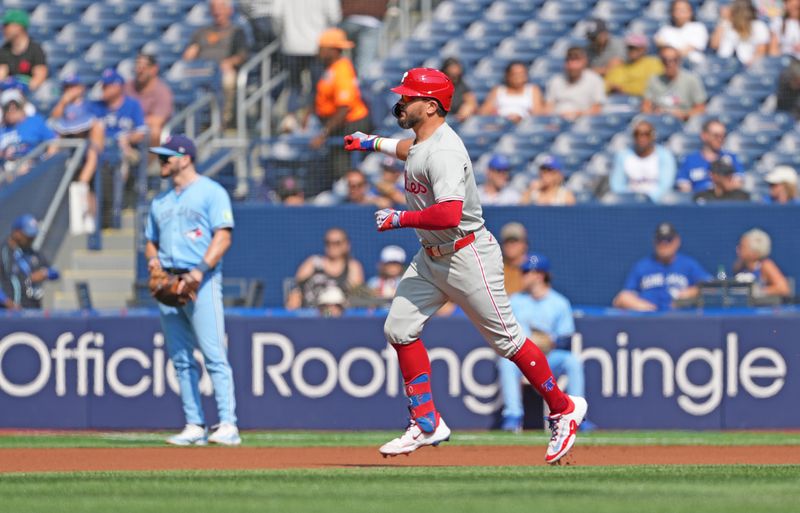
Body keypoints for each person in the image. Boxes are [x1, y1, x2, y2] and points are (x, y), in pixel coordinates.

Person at [344, 67, 587, 463]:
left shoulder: (443, 150)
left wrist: (399, 219)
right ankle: (426, 421)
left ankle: (563, 408)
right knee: (399, 329)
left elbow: (449, 214)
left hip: (465, 253)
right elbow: (411, 152)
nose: (401, 101)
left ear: (432, 104)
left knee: (508, 341)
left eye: (409, 96)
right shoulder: (425, 141)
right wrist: (371, 142)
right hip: (431, 256)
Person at [144, 134, 240, 446]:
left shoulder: (211, 192)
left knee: (213, 354)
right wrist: (154, 263)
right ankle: (194, 424)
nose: (161, 162)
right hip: (169, 282)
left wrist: (198, 272)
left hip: (202, 280)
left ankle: (228, 424)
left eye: (166, 157)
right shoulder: (160, 201)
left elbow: (223, 237)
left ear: (184, 158)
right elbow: (150, 240)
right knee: (181, 357)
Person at [497, 254, 590, 433]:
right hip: (523, 357)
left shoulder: (559, 302)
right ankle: (512, 416)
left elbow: (566, 339)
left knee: (572, 361)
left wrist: (550, 342)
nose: (522, 276)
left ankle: (578, 416)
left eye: (526, 272)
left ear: (539, 275)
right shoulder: (516, 301)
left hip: (549, 357)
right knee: (505, 363)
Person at [307, 28, 371, 195]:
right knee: (335, 167)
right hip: (338, 125)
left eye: (322, 48)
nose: (319, 52)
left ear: (333, 50)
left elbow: (344, 108)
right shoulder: (330, 68)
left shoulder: (342, 69)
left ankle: (348, 197)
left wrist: (324, 133)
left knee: (342, 169)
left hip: (351, 125)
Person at [89, 69, 147, 228]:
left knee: (122, 154)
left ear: (118, 87)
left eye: (108, 86)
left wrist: (126, 138)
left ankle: (117, 206)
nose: (104, 89)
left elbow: (141, 132)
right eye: (104, 86)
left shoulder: (132, 105)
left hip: (125, 151)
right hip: (100, 151)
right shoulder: (95, 106)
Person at [613, 222, 711, 311]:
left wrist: (692, 292)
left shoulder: (688, 265)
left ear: (677, 241)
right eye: (660, 240)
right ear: (654, 242)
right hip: (647, 321)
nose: (664, 244)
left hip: (680, 320)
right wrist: (644, 308)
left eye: (668, 239)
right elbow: (623, 298)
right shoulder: (642, 266)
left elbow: (711, 287)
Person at [183, 0, 248, 128]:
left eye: (221, 7)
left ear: (230, 10)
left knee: (228, 79)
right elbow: (190, 53)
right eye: (214, 7)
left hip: (222, 70)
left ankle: (223, 120)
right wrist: (189, 56)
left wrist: (229, 62)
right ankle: (190, 120)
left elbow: (242, 55)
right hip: (202, 69)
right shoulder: (202, 32)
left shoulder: (237, 32)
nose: (217, 11)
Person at [273, 0, 341, 112]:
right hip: (317, 46)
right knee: (317, 87)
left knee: (294, 86)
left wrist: (282, 34)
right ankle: (311, 118)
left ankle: (292, 118)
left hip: (292, 45)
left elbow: (276, 15)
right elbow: (334, 16)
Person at [285, 227, 365, 309]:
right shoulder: (313, 263)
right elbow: (295, 287)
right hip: (311, 314)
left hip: (339, 317)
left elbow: (356, 297)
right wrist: (294, 297)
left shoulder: (352, 267)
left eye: (337, 243)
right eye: (328, 242)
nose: (332, 246)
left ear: (347, 245)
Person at [0, 214, 59, 309]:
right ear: (17, 233)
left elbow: (56, 272)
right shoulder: (4, 253)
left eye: (33, 236)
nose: (32, 239)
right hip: (9, 313)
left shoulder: (33, 253)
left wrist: (45, 273)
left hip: (33, 310)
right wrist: (8, 303)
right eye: (28, 236)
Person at [610, 120, 677, 202]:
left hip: (657, 203)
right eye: (637, 134)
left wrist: (647, 199)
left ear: (653, 136)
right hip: (629, 203)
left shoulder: (664, 156)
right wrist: (632, 198)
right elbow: (617, 185)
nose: (641, 138)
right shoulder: (623, 156)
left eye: (646, 134)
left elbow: (665, 186)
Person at [676, 119, 744, 193]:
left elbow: (737, 184)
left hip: (724, 201)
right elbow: (684, 188)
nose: (720, 139)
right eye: (716, 135)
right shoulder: (690, 160)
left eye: (723, 135)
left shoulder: (731, 159)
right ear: (704, 136)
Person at [642, 46, 707, 121]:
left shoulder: (692, 80)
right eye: (665, 60)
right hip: (659, 119)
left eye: (674, 60)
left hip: (685, 121)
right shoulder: (654, 79)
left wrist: (684, 114)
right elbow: (646, 106)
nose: (670, 64)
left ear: (679, 61)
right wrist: (653, 114)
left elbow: (701, 109)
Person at [124, 53, 174, 148]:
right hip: (126, 127)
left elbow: (157, 120)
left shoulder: (162, 91)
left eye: (144, 66)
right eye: (138, 65)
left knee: (155, 131)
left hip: (146, 130)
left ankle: (153, 163)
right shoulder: (127, 87)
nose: (140, 70)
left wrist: (136, 124)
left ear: (154, 69)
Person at [545, 46, 606, 120]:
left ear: (584, 62)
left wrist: (578, 114)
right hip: (557, 121)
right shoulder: (556, 81)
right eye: (569, 60)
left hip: (583, 122)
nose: (572, 65)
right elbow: (549, 107)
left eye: (576, 61)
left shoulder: (595, 80)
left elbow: (597, 108)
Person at [0, 89, 56, 169]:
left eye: (15, 106)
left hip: (34, 168)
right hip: (7, 170)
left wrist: (48, 164)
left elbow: (53, 142)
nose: (11, 109)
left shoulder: (35, 121)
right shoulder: (2, 129)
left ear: (22, 106)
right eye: (7, 107)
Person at [732, 228, 791, 298]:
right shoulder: (739, 266)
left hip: (762, 307)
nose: (737, 249)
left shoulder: (765, 265)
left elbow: (784, 289)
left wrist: (759, 291)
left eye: (742, 247)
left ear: (754, 252)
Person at [479, 61, 544, 123]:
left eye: (522, 73)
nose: (518, 77)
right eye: (515, 74)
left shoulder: (533, 90)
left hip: (524, 124)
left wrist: (521, 119)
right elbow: (484, 111)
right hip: (500, 123)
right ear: (508, 75)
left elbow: (537, 113)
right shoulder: (498, 90)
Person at [710, 0, 770, 66]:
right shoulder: (726, 24)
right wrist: (722, 22)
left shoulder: (758, 26)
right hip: (723, 65)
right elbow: (714, 45)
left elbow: (760, 51)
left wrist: (748, 66)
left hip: (745, 66)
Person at [339, 0, 389, 78]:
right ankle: (359, 86)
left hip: (349, 19)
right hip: (371, 21)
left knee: (346, 61)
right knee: (364, 66)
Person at [0, 10, 47, 92]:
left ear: (18, 27)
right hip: (9, 93)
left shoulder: (35, 50)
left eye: (6, 25)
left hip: (30, 94)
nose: (3, 29)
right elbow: (1, 75)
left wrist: (23, 87)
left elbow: (39, 77)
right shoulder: (4, 50)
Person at [654, 0, 709, 65]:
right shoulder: (665, 29)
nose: (679, 13)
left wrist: (674, 55)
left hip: (693, 64)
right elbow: (660, 43)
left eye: (683, 10)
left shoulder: (698, 27)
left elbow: (690, 48)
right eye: (676, 10)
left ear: (690, 12)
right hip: (670, 64)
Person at [442, 57, 478, 122]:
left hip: (457, 119)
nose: (455, 75)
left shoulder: (462, 86)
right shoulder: (438, 84)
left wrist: (466, 109)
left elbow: (471, 102)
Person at [499, 222, 529, 296]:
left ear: (524, 244)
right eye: (507, 241)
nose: (510, 245)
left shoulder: (534, 269)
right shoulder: (496, 268)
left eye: (514, 241)